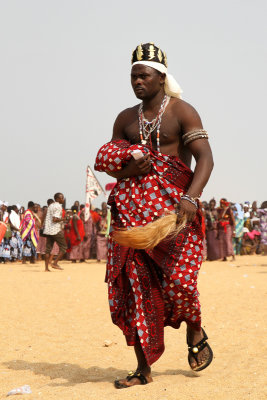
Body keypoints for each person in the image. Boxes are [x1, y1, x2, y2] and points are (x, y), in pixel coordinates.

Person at [94, 43, 214, 388]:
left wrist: (191, 198)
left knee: (180, 282)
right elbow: (113, 166)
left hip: (174, 215)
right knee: (137, 289)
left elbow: (205, 158)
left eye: (143, 75)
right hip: (132, 218)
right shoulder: (125, 119)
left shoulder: (183, 112)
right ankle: (143, 368)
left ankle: (194, 327)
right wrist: (129, 169)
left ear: (161, 77)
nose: (137, 81)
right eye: (133, 76)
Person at [43, 192, 67, 271]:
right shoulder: (58, 206)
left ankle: (46, 268)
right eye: (61, 198)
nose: (63, 199)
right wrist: (63, 219)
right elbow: (55, 219)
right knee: (64, 247)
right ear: (57, 199)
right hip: (55, 230)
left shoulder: (50, 205)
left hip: (48, 230)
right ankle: (55, 263)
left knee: (48, 250)